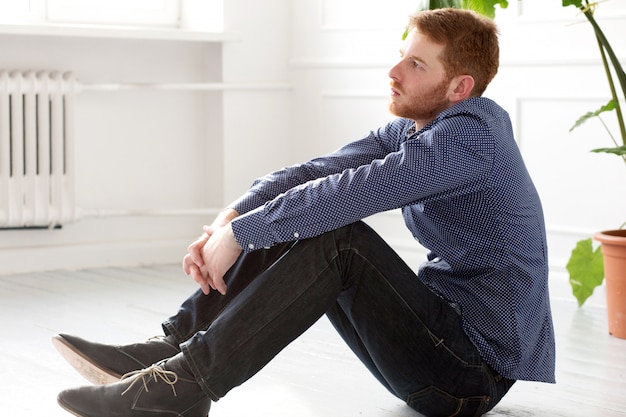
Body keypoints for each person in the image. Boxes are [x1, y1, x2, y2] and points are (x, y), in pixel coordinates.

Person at [53, 7, 555, 417]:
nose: (394, 72)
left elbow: (352, 192)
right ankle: (169, 353)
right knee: (306, 214)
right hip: (435, 342)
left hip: (469, 374)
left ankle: (184, 387)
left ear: (459, 89)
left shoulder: (469, 139)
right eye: (401, 56)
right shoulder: (417, 128)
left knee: (336, 235)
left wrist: (245, 235)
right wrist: (232, 218)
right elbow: (319, 172)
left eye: (417, 65)